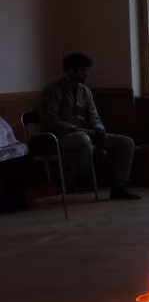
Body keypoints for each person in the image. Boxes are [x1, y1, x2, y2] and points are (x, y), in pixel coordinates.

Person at [40, 53, 141, 200]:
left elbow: (94, 115)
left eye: (87, 70)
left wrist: (99, 128)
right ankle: (82, 181)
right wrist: (86, 132)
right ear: (70, 71)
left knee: (126, 142)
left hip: (87, 134)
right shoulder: (53, 90)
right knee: (82, 139)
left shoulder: (85, 91)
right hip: (59, 137)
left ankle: (118, 187)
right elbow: (51, 121)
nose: (87, 74)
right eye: (83, 70)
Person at [0, 116, 34, 212]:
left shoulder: (1, 121)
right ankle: (9, 201)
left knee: (25, 158)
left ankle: (19, 200)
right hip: (3, 156)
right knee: (13, 164)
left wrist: (19, 148)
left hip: (6, 154)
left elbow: (13, 139)